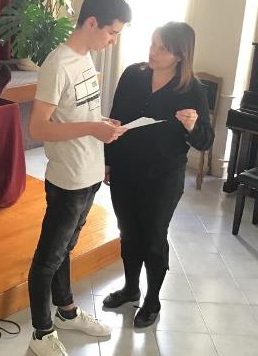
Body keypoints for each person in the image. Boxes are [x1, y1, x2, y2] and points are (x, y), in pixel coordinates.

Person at [27, 0, 132, 356]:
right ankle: (41, 334)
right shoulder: (58, 64)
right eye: (112, 32)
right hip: (68, 178)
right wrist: (91, 128)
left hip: (89, 172)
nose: (113, 40)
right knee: (47, 260)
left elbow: (77, 113)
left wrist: (101, 122)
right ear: (91, 23)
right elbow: (38, 128)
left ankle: (67, 311)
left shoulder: (86, 57)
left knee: (66, 250)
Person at [102, 22, 214, 328]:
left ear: (180, 54)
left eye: (162, 48)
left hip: (163, 175)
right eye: (152, 44)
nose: (153, 52)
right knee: (128, 233)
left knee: (153, 237)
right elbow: (115, 120)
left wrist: (192, 126)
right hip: (126, 168)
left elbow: (205, 141)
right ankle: (130, 288)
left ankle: (152, 300)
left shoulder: (192, 89)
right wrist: (108, 161)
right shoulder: (132, 75)